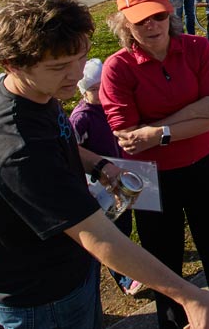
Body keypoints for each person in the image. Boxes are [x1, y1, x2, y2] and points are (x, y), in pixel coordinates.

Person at [0, 0, 209, 329]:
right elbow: (96, 235)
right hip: (43, 299)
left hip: (72, 276)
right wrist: (187, 294)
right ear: (11, 63)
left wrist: (98, 163)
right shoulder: (16, 146)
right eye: (60, 66)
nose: (77, 75)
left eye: (81, 58)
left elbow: (60, 142)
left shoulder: (35, 90)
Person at [100, 0, 209, 329]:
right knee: (163, 264)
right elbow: (129, 138)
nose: (151, 26)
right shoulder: (117, 68)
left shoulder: (197, 48)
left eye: (158, 16)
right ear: (124, 24)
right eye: (140, 20)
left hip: (203, 164)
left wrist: (156, 131)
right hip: (147, 177)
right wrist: (191, 114)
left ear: (170, 14)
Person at [68, 58, 144, 297]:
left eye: (103, 87)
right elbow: (72, 152)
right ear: (83, 91)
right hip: (101, 184)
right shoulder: (81, 118)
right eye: (93, 90)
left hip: (122, 175)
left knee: (125, 221)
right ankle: (123, 275)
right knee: (112, 230)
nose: (100, 93)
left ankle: (134, 257)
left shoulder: (112, 106)